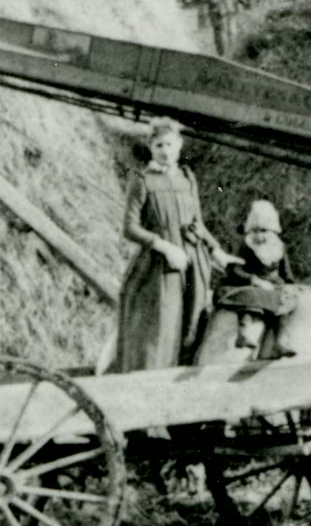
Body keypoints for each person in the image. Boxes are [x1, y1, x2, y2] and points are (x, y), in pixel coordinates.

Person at [113, 118, 232, 372]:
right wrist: (165, 247)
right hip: (160, 268)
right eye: (158, 146)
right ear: (151, 148)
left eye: (169, 144)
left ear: (179, 145)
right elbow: (130, 228)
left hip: (194, 265)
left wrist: (216, 251)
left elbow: (197, 223)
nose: (165, 151)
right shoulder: (142, 180)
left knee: (192, 326)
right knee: (159, 329)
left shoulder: (188, 178)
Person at [219, 199, 297, 357]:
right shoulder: (246, 246)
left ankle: (281, 341)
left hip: (274, 286)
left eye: (265, 231)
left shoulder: (278, 247)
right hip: (252, 284)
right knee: (253, 296)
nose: (260, 236)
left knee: (285, 300)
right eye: (256, 231)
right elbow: (234, 269)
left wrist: (290, 285)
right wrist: (254, 280)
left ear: (273, 231)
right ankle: (245, 332)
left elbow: (286, 273)